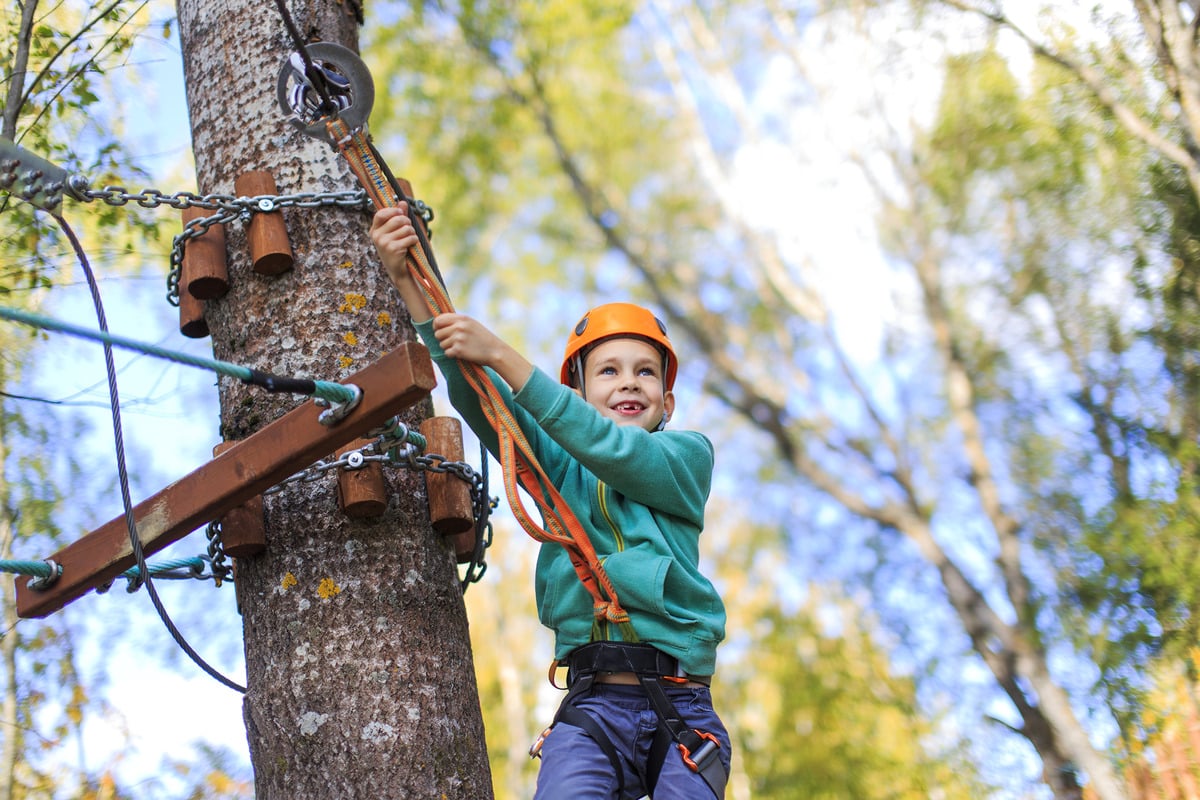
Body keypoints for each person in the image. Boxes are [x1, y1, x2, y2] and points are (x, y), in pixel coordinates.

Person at [371, 203, 731, 799]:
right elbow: (482, 395)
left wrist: (506, 355)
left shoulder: (686, 459)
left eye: (646, 373)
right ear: (578, 391)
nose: (629, 383)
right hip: (592, 709)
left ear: (667, 402)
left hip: (683, 707)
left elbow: (616, 454)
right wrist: (408, 282)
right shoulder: (556, 463)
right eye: (609, 371)